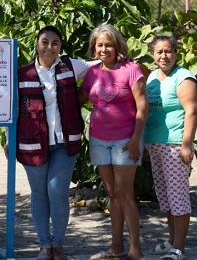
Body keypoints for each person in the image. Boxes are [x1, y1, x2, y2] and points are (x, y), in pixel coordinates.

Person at [11, 25, 95, 260]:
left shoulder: (70, 66)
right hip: (32, 142)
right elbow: (12, 110)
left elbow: (96, 67)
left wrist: (124, 60)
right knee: (39, 193)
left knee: (58, 192)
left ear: (61, 46)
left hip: (64, 142)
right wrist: (10, 140)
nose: (50, 47)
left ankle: (58, 245)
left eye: (55, 43)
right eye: (45, 42)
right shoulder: (22, 74)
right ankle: (44, 246)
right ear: (37, 43)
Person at [78, 23, 148, 260]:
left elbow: (142, 107)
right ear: (94, 48)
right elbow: (79, 98)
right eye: (100, 45)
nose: (104, 49)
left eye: (108, 45)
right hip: (98, 139)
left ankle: (135, 250)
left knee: (124, 192)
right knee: (111, 193)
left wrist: (136, 139)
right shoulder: (93, 72)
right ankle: (116, 247)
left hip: (125, 140)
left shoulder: (131, 69)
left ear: (117, 46)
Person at [144, 36, 197, 260]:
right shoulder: (151, 77)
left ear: (176, 53)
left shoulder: (183, 77)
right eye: (159, 52)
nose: (163, 56)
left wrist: (187, 143)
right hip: (155, 143)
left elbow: (192, 111)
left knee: (178, 196)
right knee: (165, 197)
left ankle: (180, 246)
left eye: (168, 51)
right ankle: (171, 240)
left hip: (175, 143)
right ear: (153, 55)